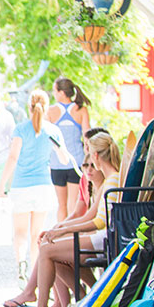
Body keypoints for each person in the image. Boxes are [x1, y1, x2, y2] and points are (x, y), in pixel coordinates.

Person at [11, 132, 121, 307]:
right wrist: (60, 228)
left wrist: (60, 232)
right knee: (52, 250)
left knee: (46, 250)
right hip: (103, 237)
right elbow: (90, 216)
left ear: (95, 155)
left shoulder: (112, 181)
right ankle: (86, 299)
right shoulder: (110, 180)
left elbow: (99, 223)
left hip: (102, 239)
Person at [0, 90, 65, 280]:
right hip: (43, 186)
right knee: (37, 234)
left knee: (19, 232)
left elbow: (13, 157)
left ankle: (21, 266)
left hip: (21, 187)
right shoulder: (53, 130)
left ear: (29, 107)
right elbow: (64, 157)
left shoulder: (20, 129)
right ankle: (35, 272)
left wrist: (2, 184)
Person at [48, 77, 91, 221]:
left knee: (61, 206)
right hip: (76, 162)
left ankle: (60, 236)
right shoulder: (81, 110)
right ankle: (73, 238)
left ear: (61, 93)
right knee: (73, 203)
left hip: (57, 163)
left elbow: (47, 138)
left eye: (55, 91)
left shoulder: (51, 111)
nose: (54, 94)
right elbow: (87, 136)